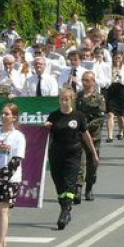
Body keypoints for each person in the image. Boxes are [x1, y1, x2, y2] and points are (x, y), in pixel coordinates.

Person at [44, 88, 98, 230]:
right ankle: (64, 207)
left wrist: (93, 153)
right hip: (56, 153)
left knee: (69, 182)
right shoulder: (53, 116)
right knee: (59, 183)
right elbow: (48, 138)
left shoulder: (78, 116)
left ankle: (64, 211)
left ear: (72, 99)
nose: (64, 102)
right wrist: (45, 128)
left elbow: (85, 135)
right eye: (61, 99)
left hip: (73, 154)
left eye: (66, 99)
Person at [0, 105, 26, 247]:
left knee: (3, 209)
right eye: (2, 113)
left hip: (9, 178)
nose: (3, 116)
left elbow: (16, 161)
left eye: (7, 114)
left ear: (14, 117)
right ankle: (2, 237)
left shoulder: (18, 137)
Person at [76, 71, 106, 202]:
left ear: (93, 82)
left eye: (87, 80)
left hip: (93, 135)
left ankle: (89, 187)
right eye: (83, 80)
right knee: (79, 162)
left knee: (92, 163)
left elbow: (100, 117)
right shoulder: (78, 97)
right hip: (79, 135)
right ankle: (78, 189)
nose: (84, 83)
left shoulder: (99, 98)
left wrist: (86, 127)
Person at [104, 50, 124, 142]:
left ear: (122, 58)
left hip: (121, 90)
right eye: (115, 58)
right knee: (110, 114)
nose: (117, 60)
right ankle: (110, 136)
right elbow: (107, 80)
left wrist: (119, 75)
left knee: (120, 115)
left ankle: (120, 131)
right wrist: (113, 75)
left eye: (119, 58)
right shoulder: (109, 68)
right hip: (111, 90)